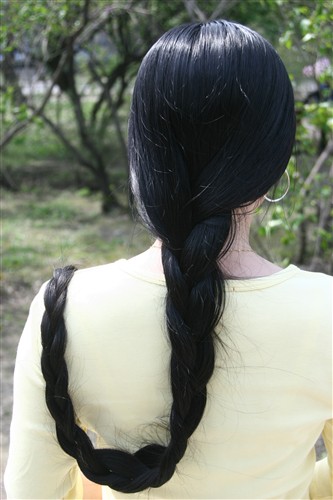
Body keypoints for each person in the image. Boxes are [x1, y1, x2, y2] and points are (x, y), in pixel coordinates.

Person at [4, 20, 332, 500]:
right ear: (274, 163)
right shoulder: (326, 313)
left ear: (141, 158)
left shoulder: (64, 311)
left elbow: (32, 492)